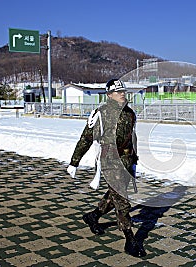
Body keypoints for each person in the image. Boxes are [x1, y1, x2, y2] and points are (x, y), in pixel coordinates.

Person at [66, 79, 146, 257]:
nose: (122, 94)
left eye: (123, 91)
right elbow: (86, 138)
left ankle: (93, 216)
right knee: (122, 201)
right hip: (109, 161)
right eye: (118, 92)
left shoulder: (130, 113)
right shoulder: (101, 113)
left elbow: (133, 138)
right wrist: (74, 162)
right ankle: (130, 239)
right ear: (109, 95)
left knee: (114, 196)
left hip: (126, 161)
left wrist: (134, 159)